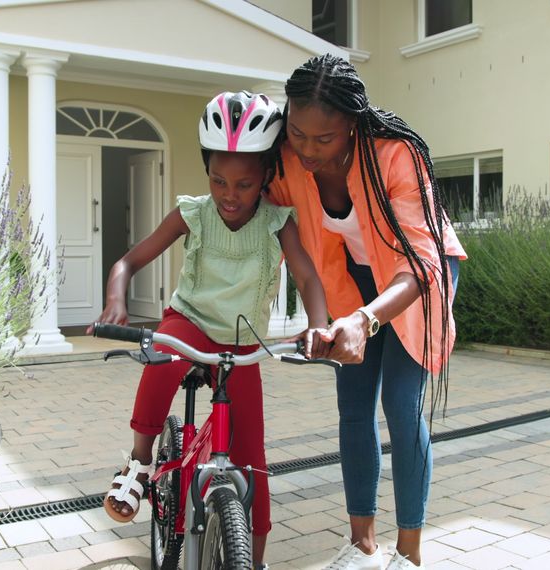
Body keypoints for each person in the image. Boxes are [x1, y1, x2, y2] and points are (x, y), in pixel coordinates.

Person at [90, 90, 330, 568]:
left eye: (243, 183)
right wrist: (116, 301)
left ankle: (254, 559)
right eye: (218, 180)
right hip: (191, 323)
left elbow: (307, 277)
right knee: (161, 363)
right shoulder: (194, 213)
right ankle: (139, 465)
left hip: (241, 342)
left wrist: (318, 324)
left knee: (252, 460)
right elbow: (128, 261)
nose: (229, 195)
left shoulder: (277, 223)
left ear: (265, 176)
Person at [266, 54, 466, 570]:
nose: (307, 150)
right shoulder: (287, 157)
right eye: (297, 133)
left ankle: (409, 553)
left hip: (415, 276)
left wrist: (364, 320)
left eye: (323, 139)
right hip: (350, 276)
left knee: (401, 405)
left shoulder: (396, 155)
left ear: (352, 126)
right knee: (354, 407)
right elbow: (259, 205)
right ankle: (361, 547)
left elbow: (420, 261)